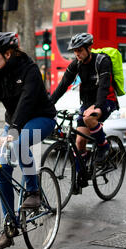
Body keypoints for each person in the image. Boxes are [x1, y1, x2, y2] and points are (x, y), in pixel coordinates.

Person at [0, 32, 57, 249]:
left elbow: (27, 102)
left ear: (8, 54)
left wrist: (14, 130)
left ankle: (33, 191)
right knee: (0, 169)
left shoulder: (30, 70)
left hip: (40, 117)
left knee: (19, 143)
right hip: (14, 122)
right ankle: (10, 223)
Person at [50, 33, 118, 192]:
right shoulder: (76, 64)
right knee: (79, 143)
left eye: (80, 50)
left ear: (89, 48)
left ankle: (103, 146)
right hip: (87, 103)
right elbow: (63, 85)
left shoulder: (102, 61)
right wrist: (49, 103)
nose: (77, 54)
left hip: (106, 101)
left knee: (89, 118)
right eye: (75, 51)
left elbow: (103, 86)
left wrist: (98, 107)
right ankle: (81, 176)